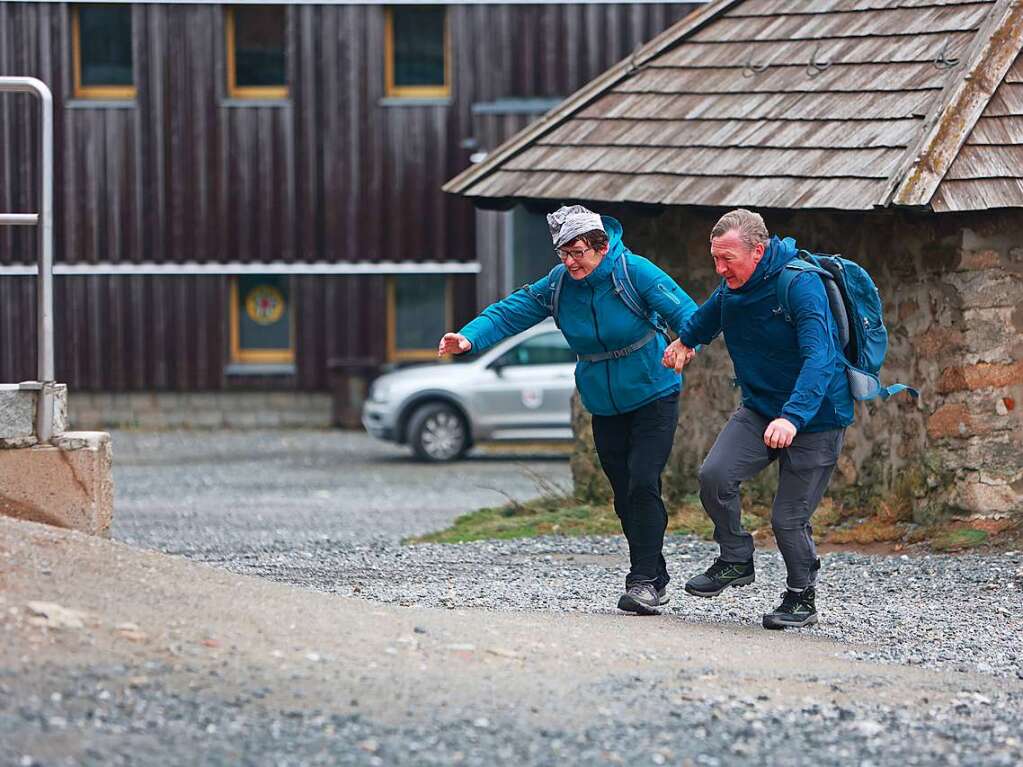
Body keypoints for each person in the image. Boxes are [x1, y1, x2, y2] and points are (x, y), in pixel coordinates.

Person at [439, 205, 698, 615]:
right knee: (622, 492)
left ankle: (643, 580)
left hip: (652, 391)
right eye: (563, 253)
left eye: (577, 252)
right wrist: (469, 338)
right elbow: (511, 312)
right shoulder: (560, 283)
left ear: (600, 244)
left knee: (643, 481)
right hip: (602, 399)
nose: (570, 262)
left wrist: (685, 344)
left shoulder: (634, 272)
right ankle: (655, 572)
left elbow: (688, 315)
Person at [663, 208, 853, 630]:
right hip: (762, 409)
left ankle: (801, 597)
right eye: (715, 258)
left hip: (816, 417)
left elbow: (820, 358)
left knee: (787, 517)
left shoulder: (799, 285)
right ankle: (735, 559)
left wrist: (793, 417)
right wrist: (684, 342)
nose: (719, 268)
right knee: (714, 476)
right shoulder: (734, 285)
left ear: (759, 250)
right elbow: (708, 316)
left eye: (727, 258)